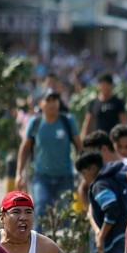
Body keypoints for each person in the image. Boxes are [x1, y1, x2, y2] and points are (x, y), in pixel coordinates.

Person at [15, 89, 82, 226]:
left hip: (65, 177)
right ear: (41, 104)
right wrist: (19, 173)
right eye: (48, 100)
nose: (52, 104)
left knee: (65, 217)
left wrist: (83, 174)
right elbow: (25, 148)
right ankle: (36, 246)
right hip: (41, 177)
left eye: (54, 100)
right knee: (40, 210)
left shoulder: (67, 121)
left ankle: (61, 247)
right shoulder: (35, 122)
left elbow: (80, 147)